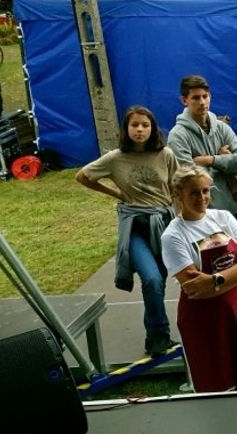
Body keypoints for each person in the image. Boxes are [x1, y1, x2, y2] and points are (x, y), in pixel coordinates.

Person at [76, 106, 178, 357]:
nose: (140, 129)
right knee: (151, 278)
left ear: (152, 128)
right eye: (135, 125)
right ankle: (160, 335)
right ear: (126, 128)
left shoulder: (165, 154)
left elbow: (178, 185)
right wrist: (116, 193)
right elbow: (83, 176)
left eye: (145, 125)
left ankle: (152, 337)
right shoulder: (115, 158)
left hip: (162, 223)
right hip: (134, 226)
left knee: (158, 283)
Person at [162, 165, 237, 392]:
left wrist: (215, 280)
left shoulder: (223, 217)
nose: (202, 197)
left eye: (205, 191)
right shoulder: (173, 235)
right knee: (216, 385)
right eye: (194, 192)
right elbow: (196, 289)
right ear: (178, 194)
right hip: (204, 320)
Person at [167, 75, 237, 220]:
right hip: (200, 216)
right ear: (184, 100)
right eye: (196, 98)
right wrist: (225, 161)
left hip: (232, 212)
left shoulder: (222, 128)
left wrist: (210, 160)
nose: (202, 102)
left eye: (205, 96)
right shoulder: (177, 136)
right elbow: (190, 180)